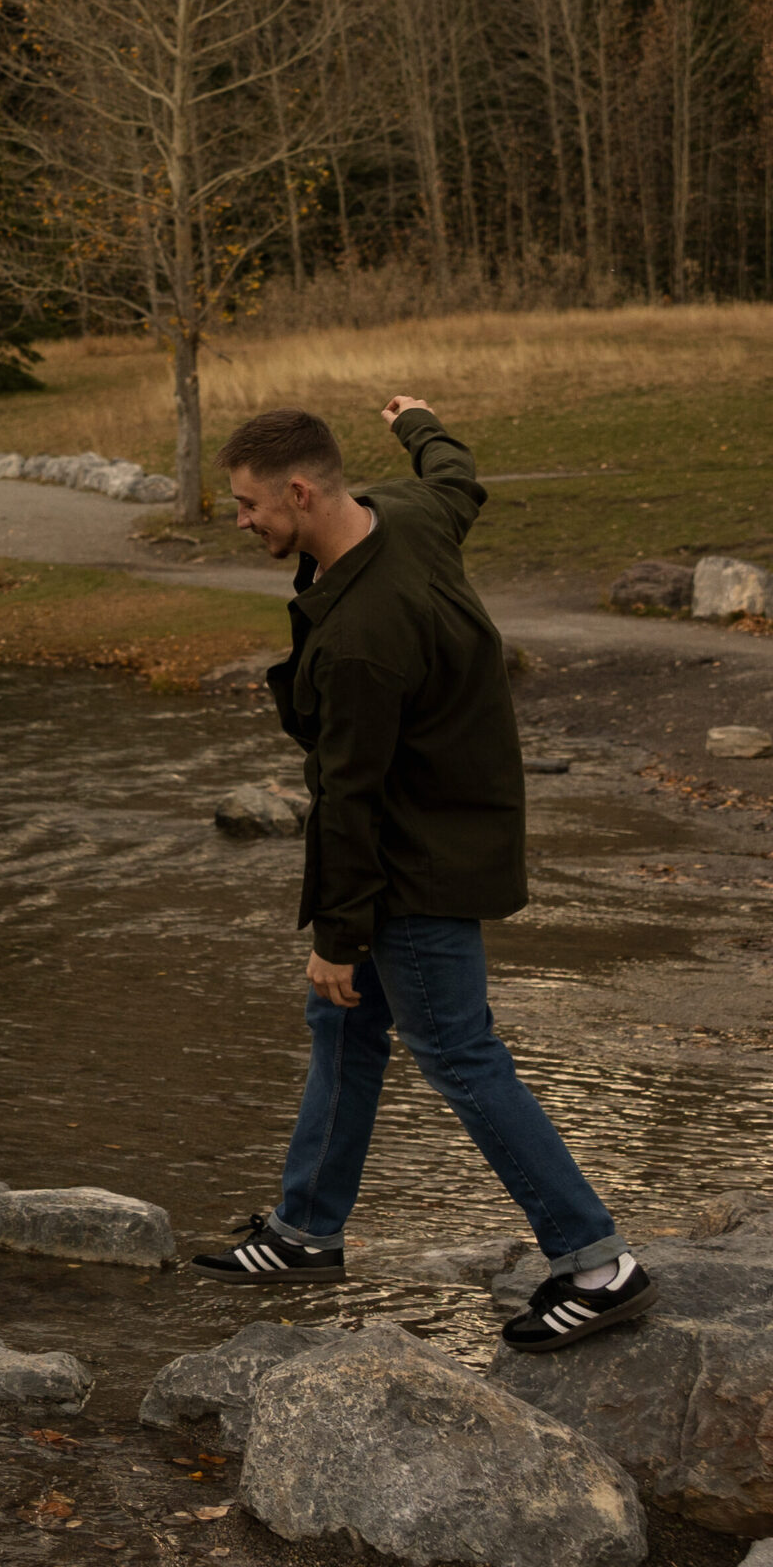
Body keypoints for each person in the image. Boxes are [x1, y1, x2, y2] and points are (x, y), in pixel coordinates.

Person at [191, 397, 658, 1353]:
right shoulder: (408, 512)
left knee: (458, 1055)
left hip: (417, 864)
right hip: (448, 826)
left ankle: (599, 1264)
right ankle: (306, 1230)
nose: (242, 522)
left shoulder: (364, 636)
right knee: (346, 1029)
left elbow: (351, 801)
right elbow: (458, 475)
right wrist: (422, 421)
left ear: (302, 491)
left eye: (248, 507)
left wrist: (336, 939)